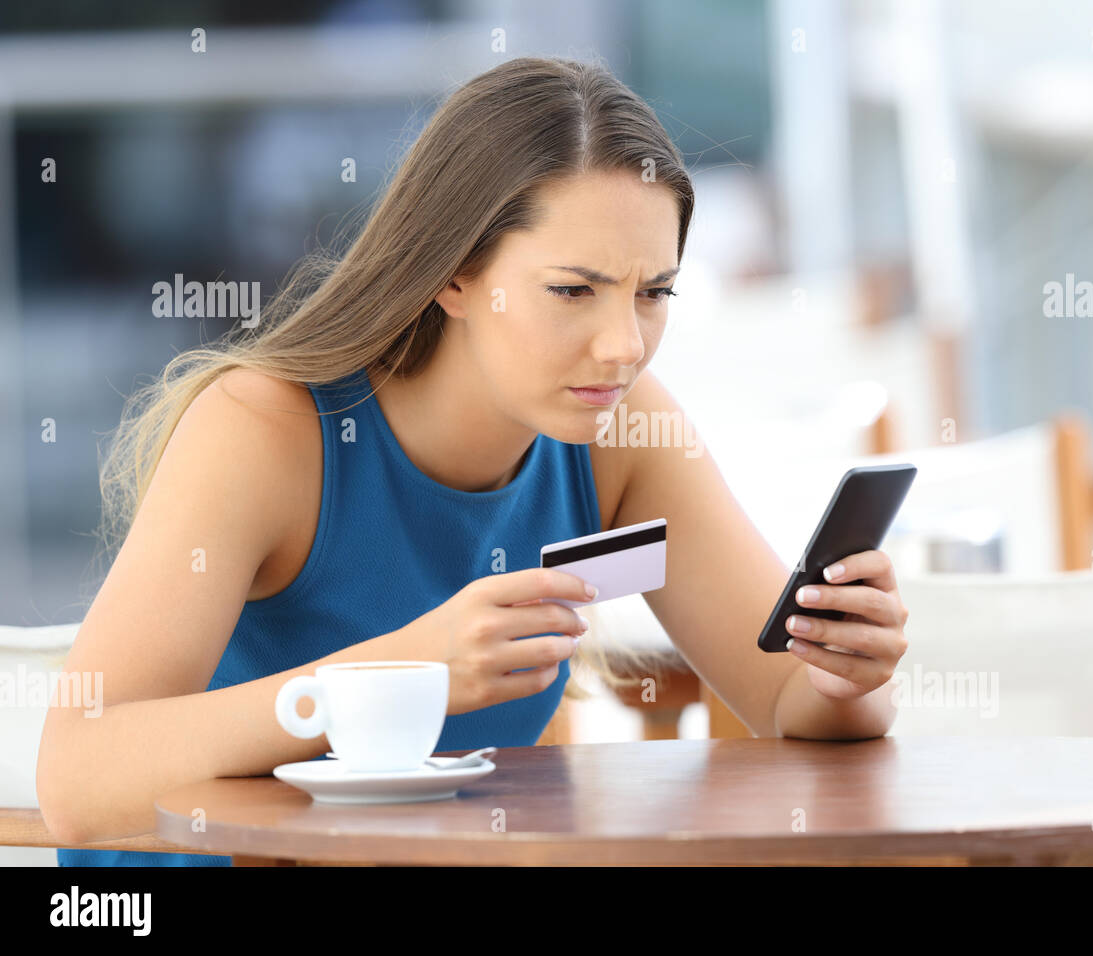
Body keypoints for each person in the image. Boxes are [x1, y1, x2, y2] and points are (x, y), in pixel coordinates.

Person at [38, 56, 909, 866]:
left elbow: (786, 702)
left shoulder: (625, 435)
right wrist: (396, 673)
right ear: (452, 273)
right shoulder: (263, 430)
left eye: (653, 294)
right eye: (573, 291)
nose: (622, 346)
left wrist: (845, 678)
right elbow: (77, 784)